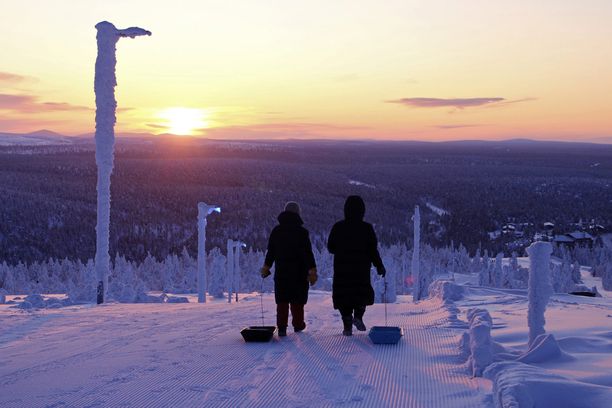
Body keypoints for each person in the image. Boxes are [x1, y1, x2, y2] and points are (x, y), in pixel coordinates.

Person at [328, 195, 385, 336]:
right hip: (361, 270)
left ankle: (347, 324)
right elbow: (373, 250)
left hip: (342, 269)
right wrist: (379, 266)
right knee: (361, 294)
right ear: (362, 210)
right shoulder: (367, 228)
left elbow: (331, 248)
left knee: (344, 296)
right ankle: (358, 316)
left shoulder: (338, 227)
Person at [261, 201, 317, 337]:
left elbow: (271, 252)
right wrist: (312, 270)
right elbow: (308, 253)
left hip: (282, 273)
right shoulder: (302, 232)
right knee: (297, 300)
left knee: (282, 300)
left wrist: (267, 267)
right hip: (299, 273)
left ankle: (281, 328)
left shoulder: (277, 231)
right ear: (298, 214)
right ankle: (298, 325)